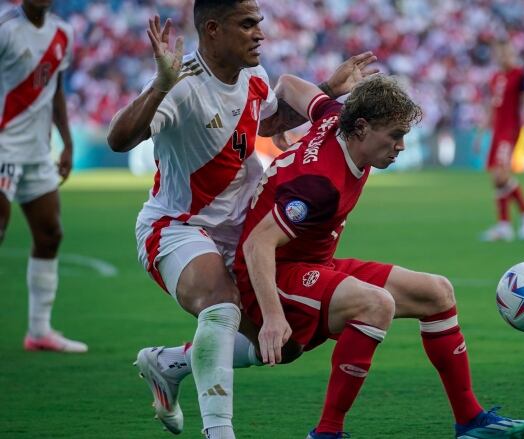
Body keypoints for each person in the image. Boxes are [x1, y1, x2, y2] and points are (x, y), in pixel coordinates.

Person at [106, 1, 376, 437]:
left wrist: (329, 88)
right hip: (178, 226)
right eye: (247, 24)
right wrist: (159, 85)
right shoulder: (182, 84)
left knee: (286, 345)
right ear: (213, 30)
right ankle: (219, 431)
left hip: (240, 227)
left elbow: (269, 124)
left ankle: (170, 362)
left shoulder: (254, 76)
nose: (259, 33)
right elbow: (119, 138)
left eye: (260, 23)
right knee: (220, 301)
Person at [231, 74, 524, 438]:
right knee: (375, 305)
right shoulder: (320, 185)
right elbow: (257, 245)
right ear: (362, 128)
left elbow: (286, 83)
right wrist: (271, 317)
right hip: (271, 274)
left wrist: (279, 128)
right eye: (395, 135)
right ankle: (327, 433)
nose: (402, 147)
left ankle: (470, 421)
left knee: (437, 293)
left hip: (311, 264)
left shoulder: (336, 115)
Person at [0, 0, 87, 353]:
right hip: (3, 146)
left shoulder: (62, 33)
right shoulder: (6, 29)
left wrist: (66, 143)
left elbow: (56, 91)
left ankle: (39, 332)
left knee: (50, 234)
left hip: (37, 151)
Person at [480, 40, 524, 242]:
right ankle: (504, 226)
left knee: (501, 174)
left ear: (512, 55)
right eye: (500, 54)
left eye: (506, 54)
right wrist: (481, 133)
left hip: (510, 131)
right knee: (496, 178)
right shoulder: (496, 77)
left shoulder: (520, 75)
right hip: (497, 132)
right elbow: (492, 107)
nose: (502, 57)